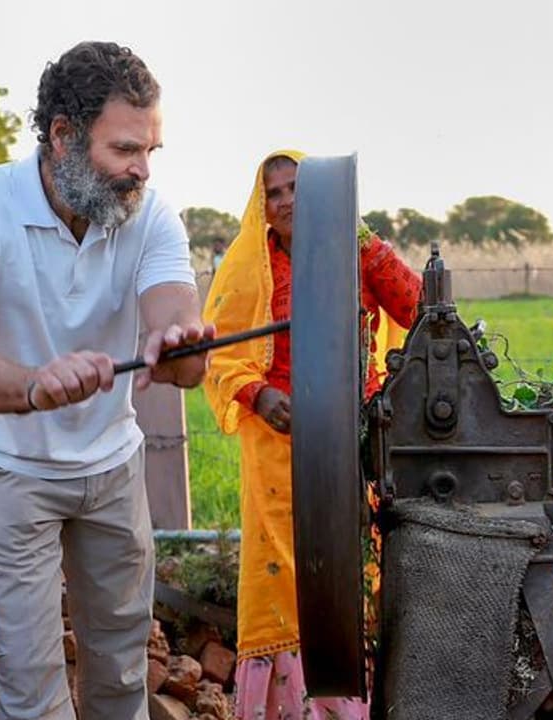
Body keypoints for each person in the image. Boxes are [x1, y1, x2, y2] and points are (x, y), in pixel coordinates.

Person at [0, 41, 211, 720]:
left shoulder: (152, 214)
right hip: (8, 466)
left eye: (150, 151)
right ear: (61, 137)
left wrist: (181, 345)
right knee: (32, 682)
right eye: (124, 150)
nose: (141, 171)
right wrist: (34, 385)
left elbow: (183, 338)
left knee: (119, 666)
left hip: (110, 464)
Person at [202, 151, 421, 720]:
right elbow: (220, 352)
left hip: (355, 449)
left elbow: (419, 309)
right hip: (277, 455)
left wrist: (367, 242)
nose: (288, 200)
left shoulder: (356, 258)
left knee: (353, 578)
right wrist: (258, 393)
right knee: (282, 589)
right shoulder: (249, 267)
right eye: (273, 193)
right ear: (263, 209)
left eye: (298, 187)